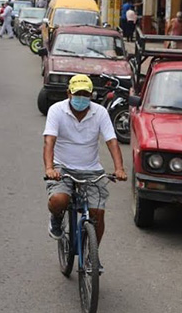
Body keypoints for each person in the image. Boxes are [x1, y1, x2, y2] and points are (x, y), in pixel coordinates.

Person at [44, 75, 127, 254]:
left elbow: (112, 141)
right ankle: (56, 218)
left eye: (85, 94)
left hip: (91, 170)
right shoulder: (56, 110)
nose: (81, 97)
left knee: (98, 212)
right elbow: (49, 141)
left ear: (91, 95)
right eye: (77, 93)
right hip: (62, 168)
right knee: (59, 200)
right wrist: (50, 168)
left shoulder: (100, 112)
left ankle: (92, 256)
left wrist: (119, 168)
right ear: (69, 93)